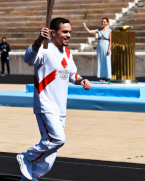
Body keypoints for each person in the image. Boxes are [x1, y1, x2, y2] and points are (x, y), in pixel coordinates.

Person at [17, 17, 91, 181]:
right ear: (53, 33)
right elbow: (28, 58)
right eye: (64, 32)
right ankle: (27, 158)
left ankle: (30, 175)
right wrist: (38, 40)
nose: (68, 35)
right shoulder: (44, 49)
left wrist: (82, 80)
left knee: (52, 149)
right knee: (57, 139)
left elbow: (72, 75)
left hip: (60, 108)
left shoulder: (67, 53)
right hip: (45, 104)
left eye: (70, 32)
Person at [83, 17, 112, 82]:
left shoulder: (109, 31)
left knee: (106, 62)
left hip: (106, 47)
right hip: (99, 47)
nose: (103, 23)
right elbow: (90, 31)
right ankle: (101, 77)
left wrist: (109, 49)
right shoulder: (98, 30)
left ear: (107, 23)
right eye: (102, 21)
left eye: (104, 22)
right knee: (100, 62)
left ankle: (107, 77)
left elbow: (110, 41)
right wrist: (85, 26)